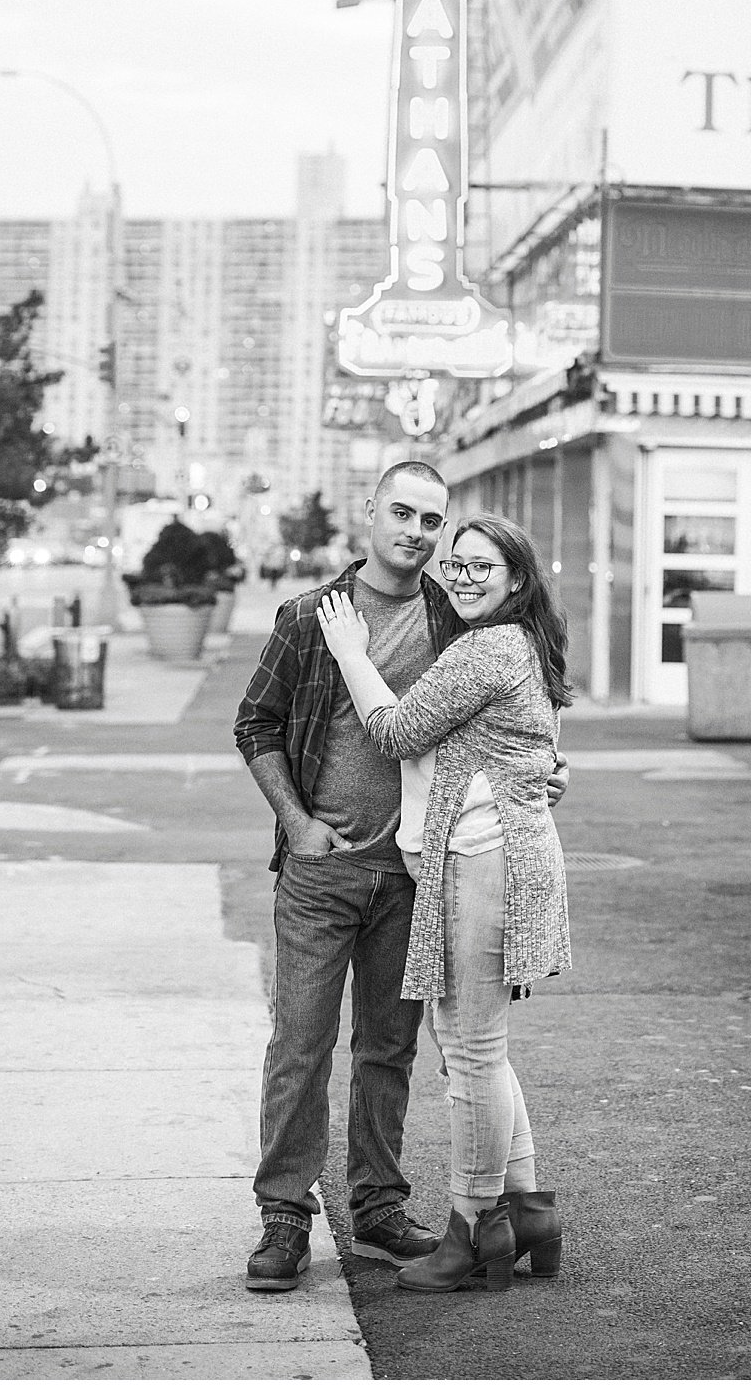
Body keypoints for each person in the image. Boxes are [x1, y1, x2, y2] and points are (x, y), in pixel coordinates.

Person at [317, 511, 572, 1294]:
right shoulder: (513, 642)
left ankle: (472, 1228)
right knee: (481, 1047)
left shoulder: (489, 646)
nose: (462, 576)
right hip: (488, 857)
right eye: (455, 564)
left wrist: (351, 652)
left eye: (481, 566)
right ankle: (528, 1209)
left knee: (470, 1053)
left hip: (483, 862)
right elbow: (527, 750)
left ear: (516, 578)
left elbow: (394, 730)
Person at [233, 460, 461, 1293]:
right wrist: (298, 824)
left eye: (432, 520)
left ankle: (377, 1204)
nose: (415, 530)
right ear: (370, 512)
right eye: (402, 511)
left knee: (388, 1048)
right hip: (322, 873)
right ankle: (285, 1215)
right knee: (300, 1041)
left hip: (409, 871)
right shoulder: (310, 616)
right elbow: (253, 720)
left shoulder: (455, 620)